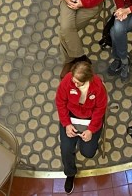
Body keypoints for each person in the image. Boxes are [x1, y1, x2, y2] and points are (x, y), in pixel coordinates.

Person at [55, 59, 108, 194]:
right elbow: (60, 103)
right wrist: (66, 124)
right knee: (66, 149)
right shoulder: (68, 81)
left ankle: (89, 140)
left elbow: (100, 109)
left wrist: (91, 129)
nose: (74, 84)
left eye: (78, 83)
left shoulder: (98, 88)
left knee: (88, 152)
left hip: (90, 120)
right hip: (71, 118)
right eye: (73, 80)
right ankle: (70, 173)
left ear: (88, 79)